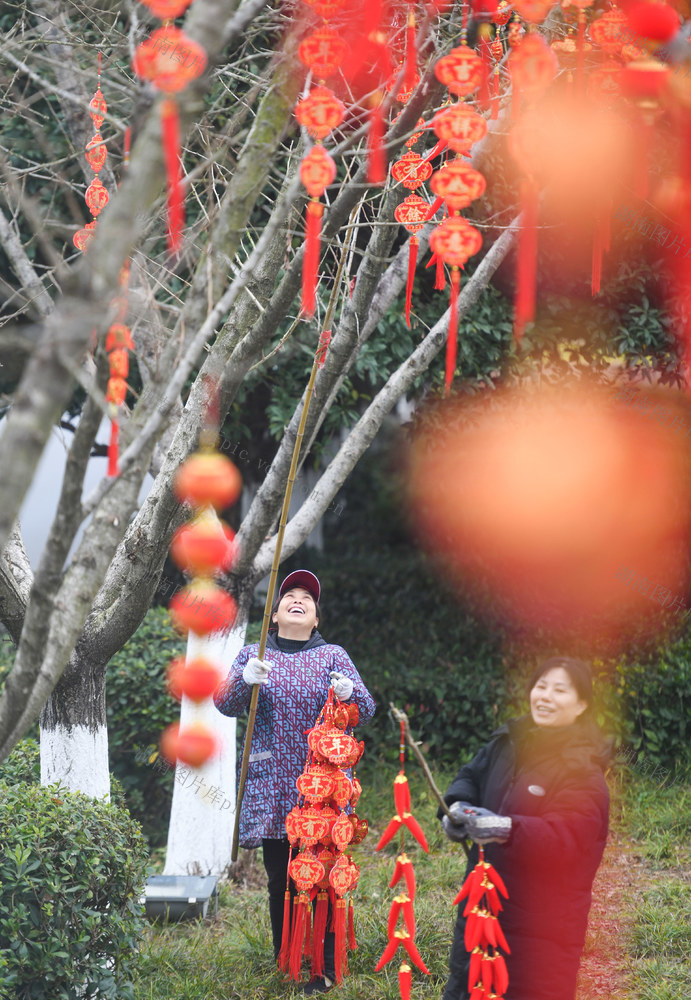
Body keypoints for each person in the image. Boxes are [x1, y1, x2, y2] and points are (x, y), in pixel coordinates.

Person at [214, 569, 376, 996]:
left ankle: (322, 964)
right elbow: (223, 703)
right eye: (290, 596)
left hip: (324, 787)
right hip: (273, 784)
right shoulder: (255, 652)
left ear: (317, 618)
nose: (299, 599)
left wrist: (348, 694)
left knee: (322, 873)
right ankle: (286, 956)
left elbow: (367, 707)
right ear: (274, 614)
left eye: (308, 597)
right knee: (280, 876)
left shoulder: (333, 657)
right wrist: (243, 681)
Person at [439, 656, 610, 1000]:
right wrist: (455, 808)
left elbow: (569, 838)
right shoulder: (509, 742)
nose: (545, 696)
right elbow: (470, 776)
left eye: (560, 690)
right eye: (541, 686)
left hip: (541, 925)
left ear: (582, 705)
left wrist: (506, 828)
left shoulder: (582, 770)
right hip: (482, 903)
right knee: (467, 985)